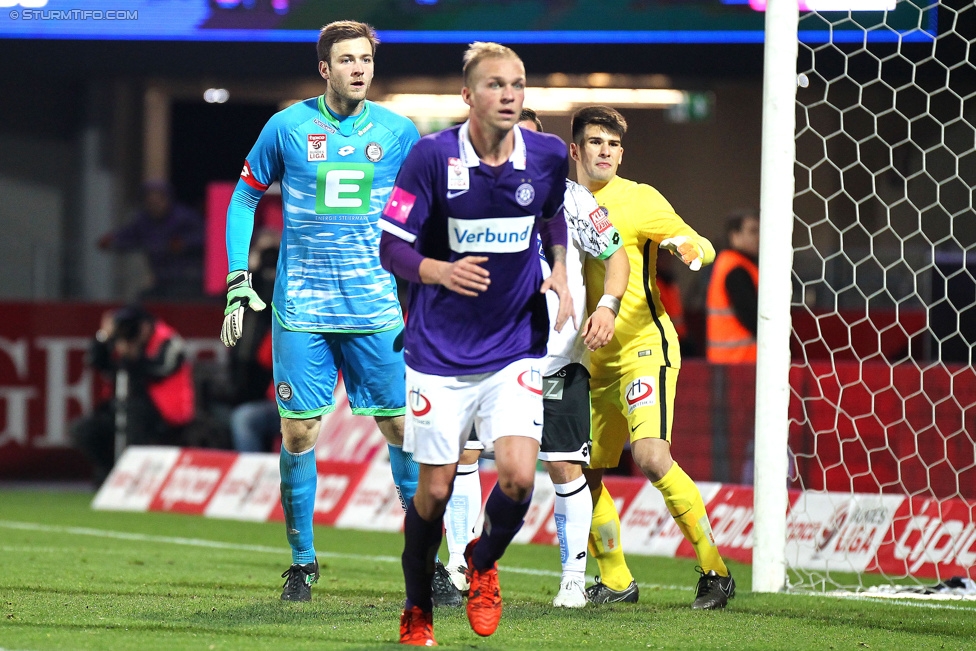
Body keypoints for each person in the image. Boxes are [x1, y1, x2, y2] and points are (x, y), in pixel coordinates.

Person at [220, 20, 424, 603]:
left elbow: (425, 205)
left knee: (401, 430)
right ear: (324, 68)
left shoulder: (398, 131)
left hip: (375, 307)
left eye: (366, 59)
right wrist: (238, 278)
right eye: (347, 59)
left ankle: (425, 561)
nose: (359, 68)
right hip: (302, 309)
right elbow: (245, 196)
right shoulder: (286, 126)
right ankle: (303, 565)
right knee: (300, 432)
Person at [378, 43, 574, 645]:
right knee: (434, 492)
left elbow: (553, 215)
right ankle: (417, 606)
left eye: (517, 84)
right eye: (496, 85)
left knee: (517, 477)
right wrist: (439, 270)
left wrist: (561, 270)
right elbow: (392, 246)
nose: (510, 95)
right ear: (468, 96)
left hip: (514, 342)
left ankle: (483, 562)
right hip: (439, 353)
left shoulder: (546, 154)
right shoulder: (430, 158)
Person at [439, 108, 630, 609]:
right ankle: (459, 566)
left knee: (565, 466)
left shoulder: (573, 200)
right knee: (464, 454)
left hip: (557, 359)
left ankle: (572, 580)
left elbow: (616, 257)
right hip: (486, 357)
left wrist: (607, 306)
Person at [571, 105, 736, 610]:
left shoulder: (639, 199)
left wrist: (690, 248)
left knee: (649, 456)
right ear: (575, 149)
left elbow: (700, 243)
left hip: (645, 346)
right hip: (585, 359)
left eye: (615, 144)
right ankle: (617, 580)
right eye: (597, 142)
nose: (607, 151)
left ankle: (714, 569)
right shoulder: (558, 202)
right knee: (579, 475)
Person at [70, 306, 194, 486]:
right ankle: (109, 472)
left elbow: (159, 370)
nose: (127, 331)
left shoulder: (168, 340)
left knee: (134, 415)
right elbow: (95, 361)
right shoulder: (121, 340)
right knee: (84, 429)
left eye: (131, 326)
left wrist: (134, 356)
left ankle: (136, 478)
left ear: (144, 326)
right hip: (124, 407)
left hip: (165, 412)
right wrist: (103, 336)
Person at [98, 180, 204, 299]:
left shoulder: (184, 217)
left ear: (167, 199)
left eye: (158, 199)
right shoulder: (143, 221)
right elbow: (128, 236)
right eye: (150, 200)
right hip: (160, 279)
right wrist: (112, 241)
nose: (154, 203)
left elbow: (206, 238)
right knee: (144, 300)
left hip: (188, 279)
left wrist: (183, 243)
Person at [706, 209, 760, 364]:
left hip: (728, 360)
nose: (758, 237)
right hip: (740, 361)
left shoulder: (728, 263)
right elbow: (753, 317)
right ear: (734, 236)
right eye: (752, 231)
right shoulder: (736, 269)